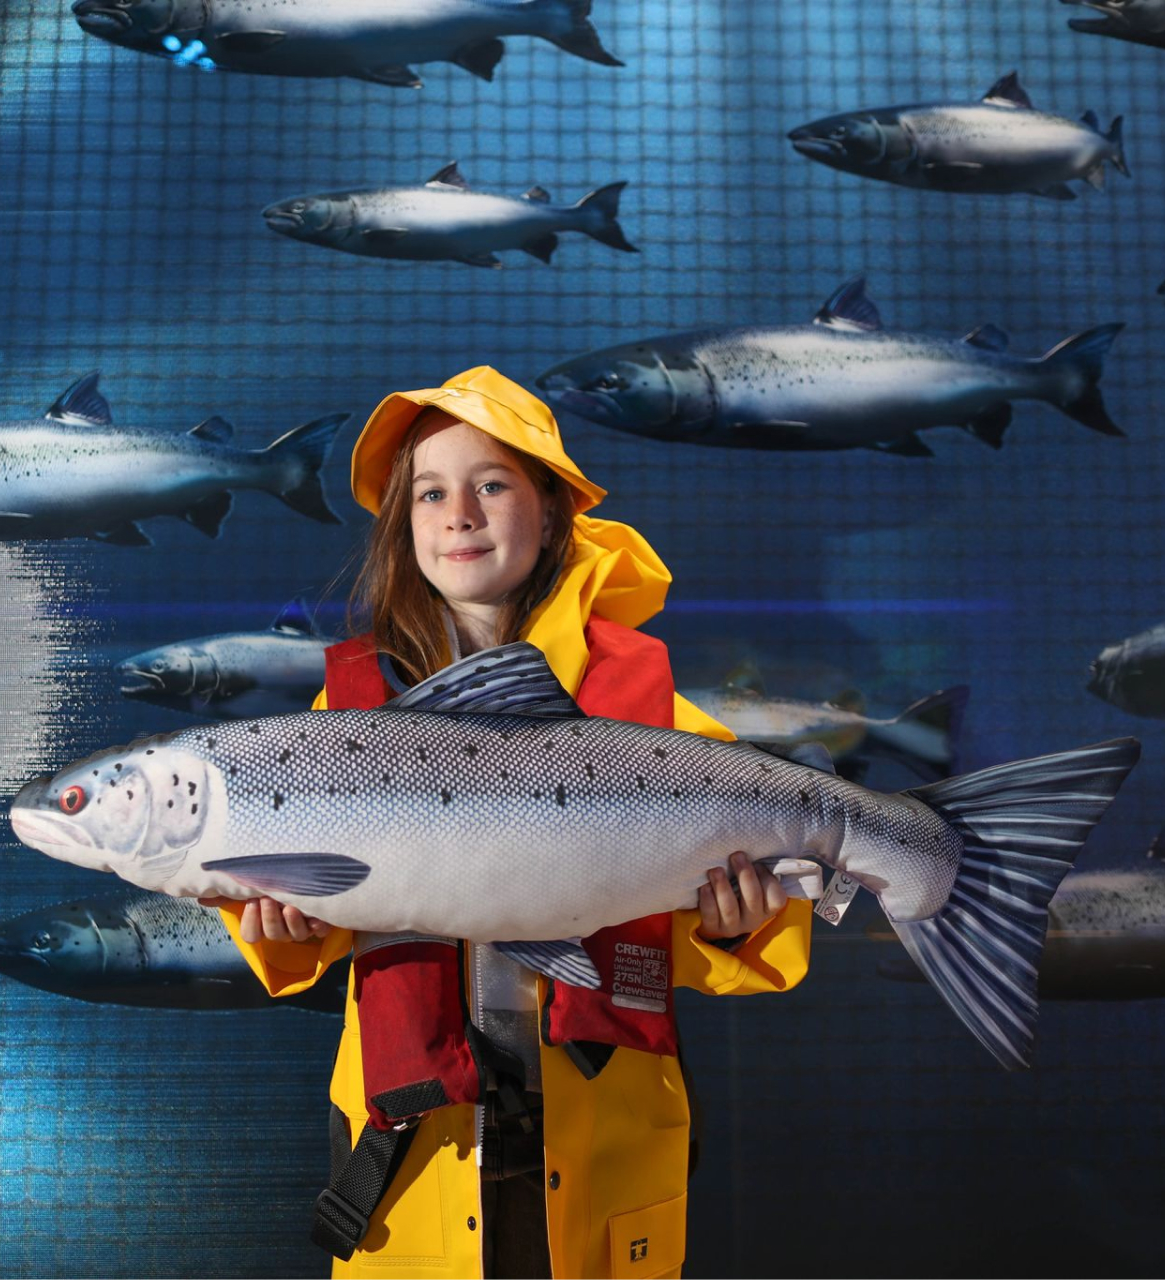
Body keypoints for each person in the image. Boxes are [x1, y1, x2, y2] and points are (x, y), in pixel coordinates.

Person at [206, 367, 813, 1279]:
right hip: (417, 1148)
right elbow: (308, 917)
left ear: (553, 510)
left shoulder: (648, 710)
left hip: (601, 1138)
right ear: (404, 525)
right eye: (430, 492)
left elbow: (732, 915)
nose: (460, 515)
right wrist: (286, 929)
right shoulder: (351, 706)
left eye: (492, 484)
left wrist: (740, 922)